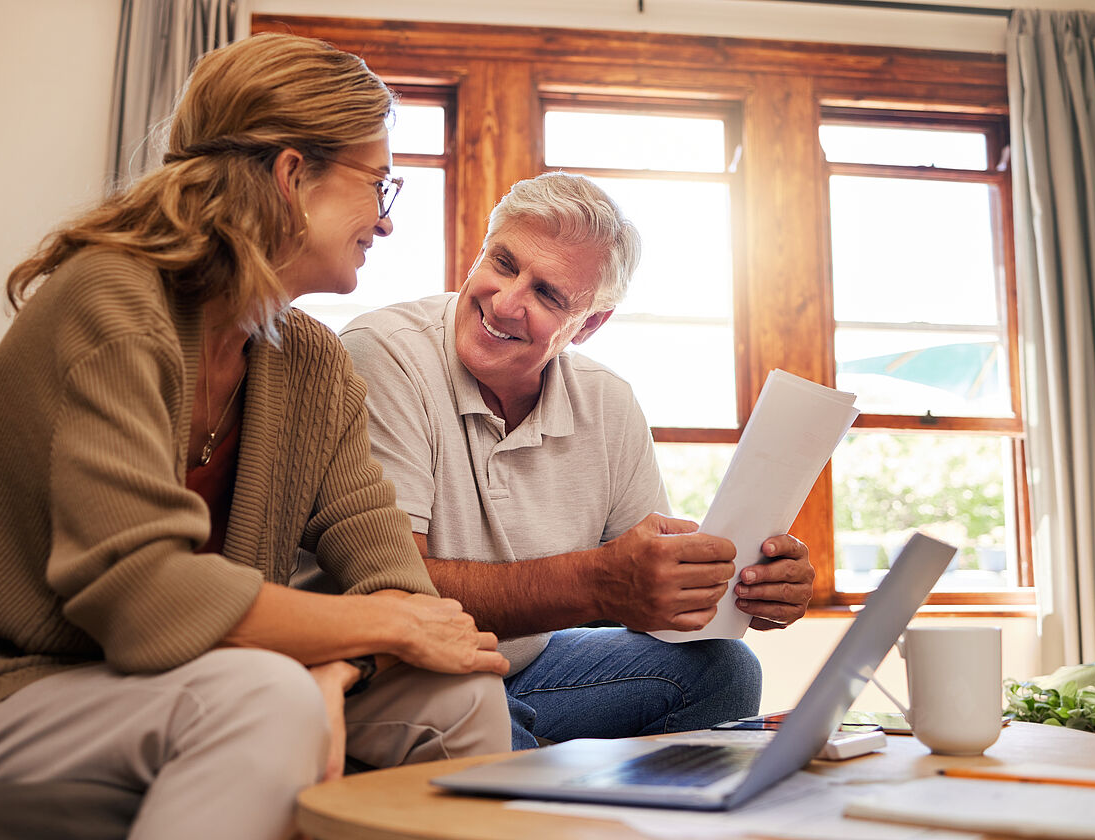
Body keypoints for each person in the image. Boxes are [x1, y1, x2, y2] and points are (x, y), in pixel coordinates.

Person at [0, 33, 511, 840]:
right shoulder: (110, 302)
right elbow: (144, 597)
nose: (387, 221)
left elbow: (393, 580)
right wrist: (378, 633)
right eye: (379, 185)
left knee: (464, 692)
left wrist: (343, 663)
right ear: (294, 176)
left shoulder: (313, 364)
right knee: (269, 698)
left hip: (177, 680)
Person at [339, 172, 814, 750]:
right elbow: (397, 592)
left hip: (522, 670)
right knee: (489, 723)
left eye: (548, 294)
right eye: (504, 263)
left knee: (726, 667)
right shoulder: (384, 353)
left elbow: (647, 603)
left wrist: (746, 587)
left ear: (588, 325)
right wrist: (597, 583)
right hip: (391, 675)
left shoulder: (608, 402)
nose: (507, 303)